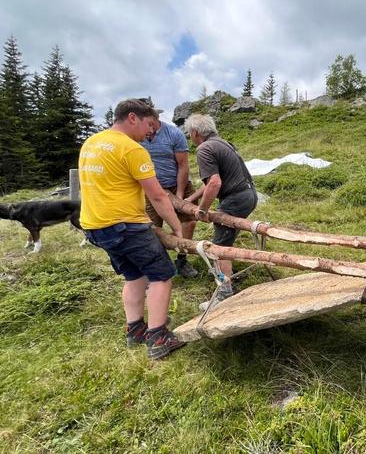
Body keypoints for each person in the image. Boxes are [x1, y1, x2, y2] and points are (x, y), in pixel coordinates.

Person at [79, 98, 185, 360]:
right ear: (133, 118)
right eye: (149, 124)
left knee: (134, 275)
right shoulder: (131, 149)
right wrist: (177, 228)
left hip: (96, 226)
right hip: (126, 226)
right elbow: (158, 196)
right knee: (161, 275)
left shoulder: (92, 143)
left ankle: (135, 329)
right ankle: (159, 337)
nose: (152, 131)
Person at [183, 114, 257, 294]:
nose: (189, 136)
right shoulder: (223, 143)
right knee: (226, 241)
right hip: (249, 195)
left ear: (195, 132)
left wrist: (202, 210)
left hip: (235, 199)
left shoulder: (204, 149)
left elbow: (215, 183)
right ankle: (228, 280)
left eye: (189, 133)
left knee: (217, 249)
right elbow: (210, 183)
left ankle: (225, 293)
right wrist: (191, 199)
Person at [140, 105, 199, 278]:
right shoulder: (136, 138)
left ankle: (182, 259)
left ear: (156, 119)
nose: (148, 128)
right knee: (151, 227)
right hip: (150, 187)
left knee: (189, 222)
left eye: (151, 123)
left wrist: (180, 194)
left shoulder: (174, 134)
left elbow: (183, 165)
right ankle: (158, 263)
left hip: (176, 183)